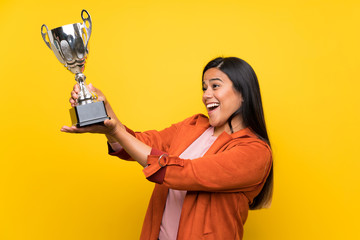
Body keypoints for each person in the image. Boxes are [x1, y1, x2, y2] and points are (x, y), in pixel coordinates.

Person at [61, 57, 273, 240]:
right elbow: (142, 143)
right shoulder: (193, 126)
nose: (206, 95)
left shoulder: (255, 152)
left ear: (243, 93)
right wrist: (107, 120)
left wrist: (117, 131)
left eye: (215, 86)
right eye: (204, 87)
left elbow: (185, 173)